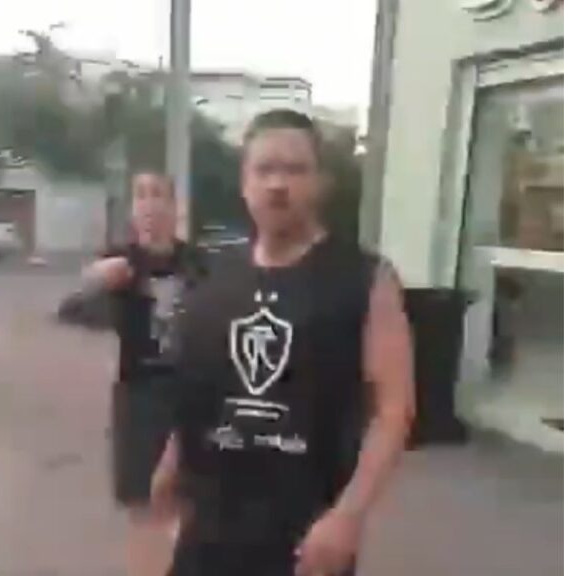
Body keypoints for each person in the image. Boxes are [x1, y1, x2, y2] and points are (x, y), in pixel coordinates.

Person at [151, 109, 416, 576]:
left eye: (295, 169)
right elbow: (201, 390)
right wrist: (170, 463)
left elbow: (395, 410)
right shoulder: (212, 277)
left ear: (320, 182)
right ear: (244, 182)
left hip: (305, 534)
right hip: (210, 525)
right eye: (264, 169)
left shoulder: (363, 278)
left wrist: (348, 516)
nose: (277, 184)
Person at [83, 171, 194, 576]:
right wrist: (96, 278)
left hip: (191, 396)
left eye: (158, 194)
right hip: (138, 398)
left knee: (188, 505)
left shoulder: (196, 264)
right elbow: (76, 305)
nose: (149, 204)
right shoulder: (119, 261)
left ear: (175, 207)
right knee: (143, 510)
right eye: (140, 195)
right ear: (132, 210)